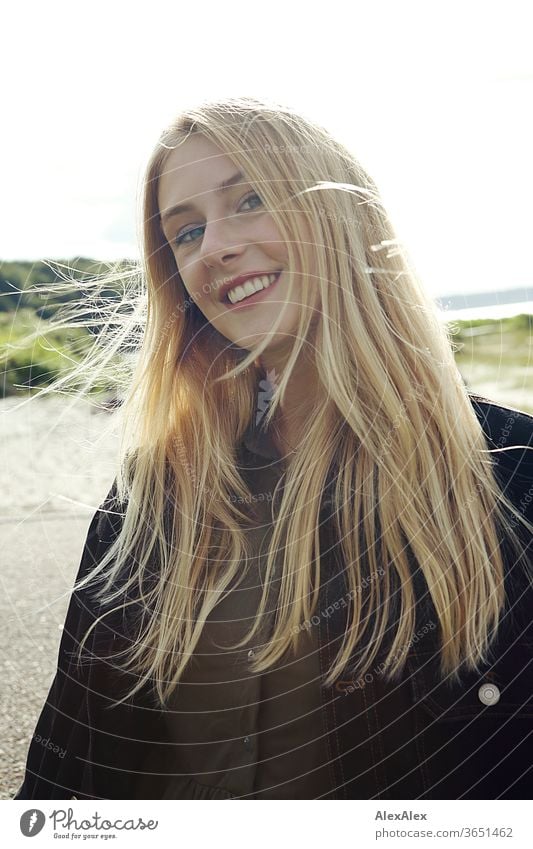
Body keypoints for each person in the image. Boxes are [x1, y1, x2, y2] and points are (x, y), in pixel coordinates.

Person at [14, 95, 533, 800]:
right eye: (186, 232)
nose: (215, 247)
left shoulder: (511, 473)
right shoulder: (155, 497)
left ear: (340, 217)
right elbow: (68, 778)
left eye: (250, 198)